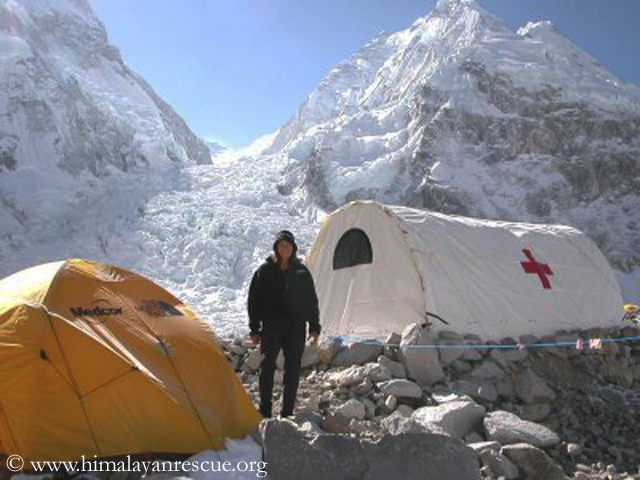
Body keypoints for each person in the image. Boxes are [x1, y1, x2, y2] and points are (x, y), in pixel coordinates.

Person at [247, 230, 321, 418]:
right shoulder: (264, 271)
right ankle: (265, 409)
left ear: (293, 248)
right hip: (272, 325)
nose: (284, 248)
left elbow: (310, 301)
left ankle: (287, 411)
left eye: (288, 245)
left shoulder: (302, 272)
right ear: (276, 248)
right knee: (267, 366)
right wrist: (254, 329)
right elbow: (254, 300)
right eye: (281, 245)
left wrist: (314, 327)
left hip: (296, 326)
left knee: (293, 368)